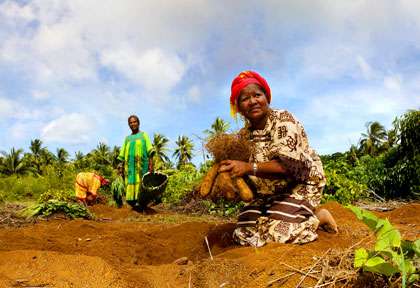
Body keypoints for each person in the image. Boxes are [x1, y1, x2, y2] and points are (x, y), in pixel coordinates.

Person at [219, 70, 337, 247]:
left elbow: (287, 167)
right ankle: (281, 214)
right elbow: (243, 174)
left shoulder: (283, 120)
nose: (252, 102)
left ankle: (318, 218)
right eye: (244, 99)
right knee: (243, 233)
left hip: (300, 184)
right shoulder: (244, 136)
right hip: (269, 192)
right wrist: (227, 178)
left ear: (267, 97)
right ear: (239, 108)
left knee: (279, 234)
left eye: (257, 95)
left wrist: (248, 167)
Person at [118, 115, 153, 210]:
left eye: (134, 122)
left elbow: (150, 150)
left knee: (142, 184)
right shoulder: (127, 139)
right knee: (130, 184)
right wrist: (120, 167)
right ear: (129, 125)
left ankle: (142, 204)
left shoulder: (144, 135)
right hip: (129, 168)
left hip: (142, 166)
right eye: (130, 122)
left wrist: (151, 165)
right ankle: (134, 204)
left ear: (138, 123)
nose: (133, 124)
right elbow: (122, 154)